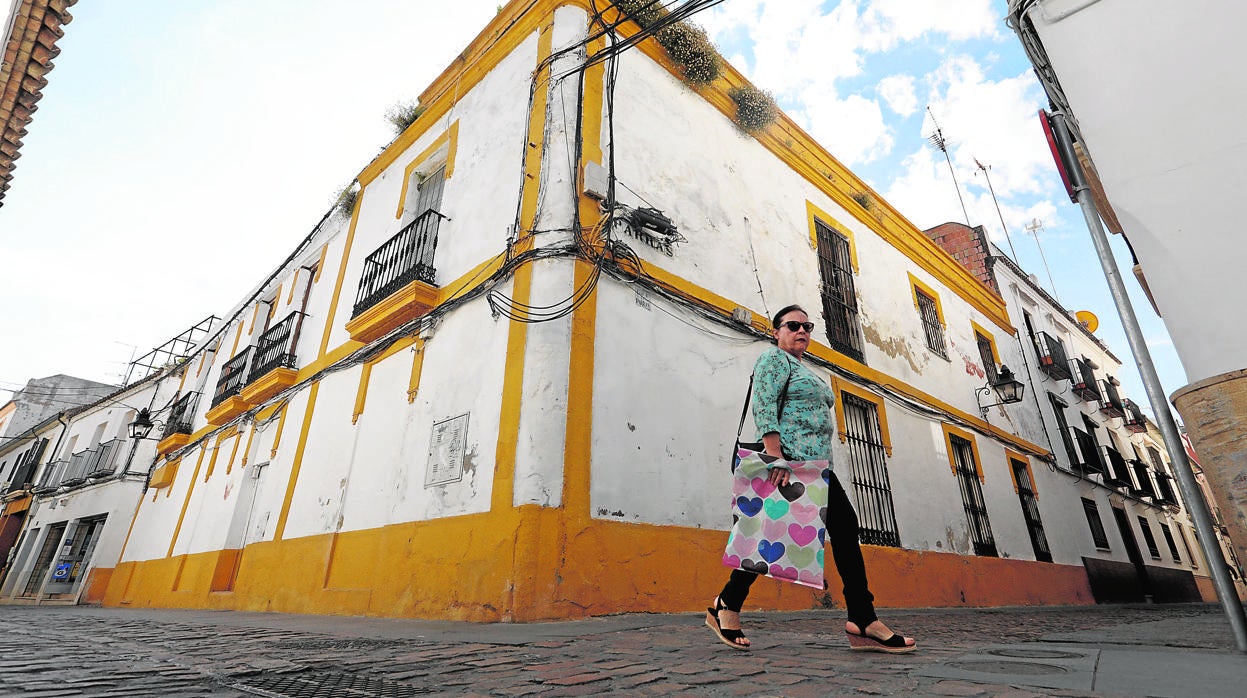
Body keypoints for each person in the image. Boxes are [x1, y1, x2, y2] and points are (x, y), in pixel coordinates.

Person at [705, 304, 917, 653]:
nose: (802, 330)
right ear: (776, 331)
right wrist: (776, 456)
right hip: (789, 464)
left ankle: (729, 602)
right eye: (793, 325)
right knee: (770, 533)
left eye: (807, 326)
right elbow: (764, 404)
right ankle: (861, 618)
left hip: (816, 469)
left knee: (802, 531)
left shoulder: (805, 369)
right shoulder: (774, 359)